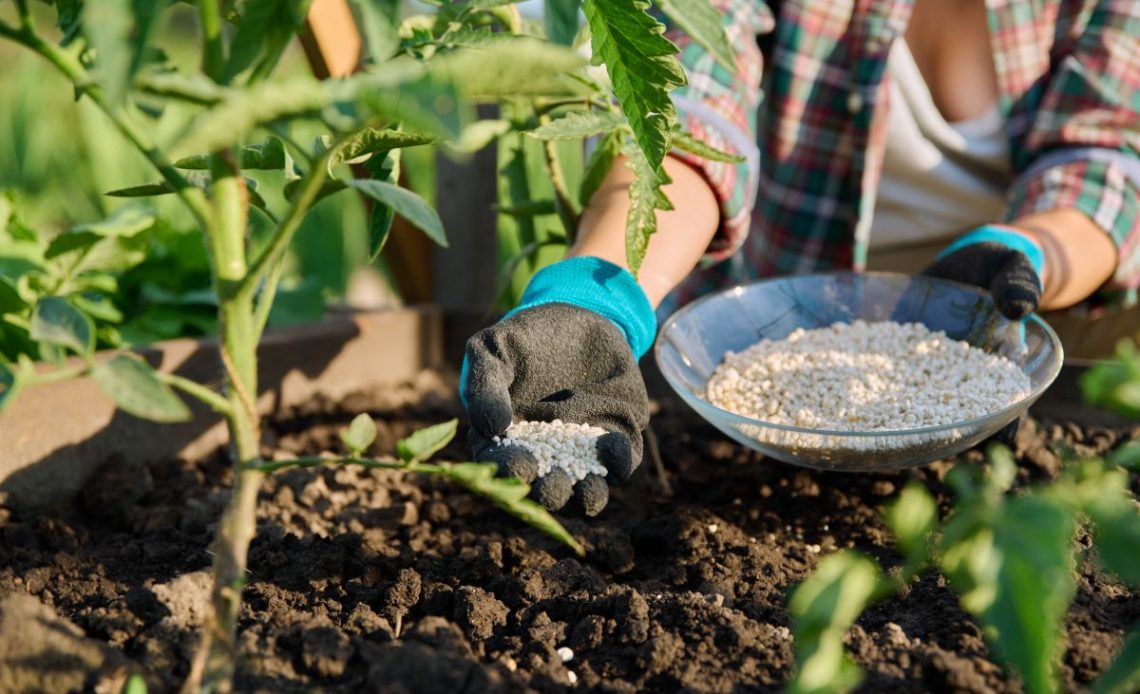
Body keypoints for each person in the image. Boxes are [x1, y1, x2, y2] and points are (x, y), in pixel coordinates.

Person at [462, 0, 1140, 515]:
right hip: (761, 337)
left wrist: (1027, 252)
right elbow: (686, 107)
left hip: (1004, 340)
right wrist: (599, 292)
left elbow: (1105, 154)